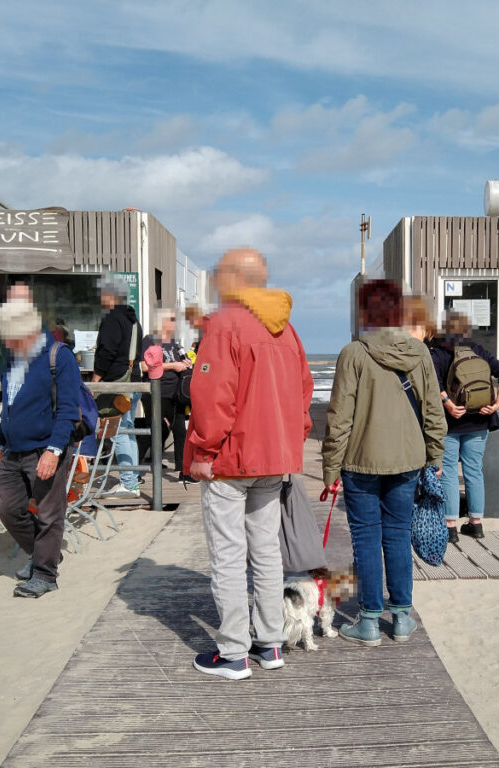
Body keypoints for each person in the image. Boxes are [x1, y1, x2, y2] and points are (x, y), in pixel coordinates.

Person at [185, 248, 312, 679]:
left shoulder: (224, 325)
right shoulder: (286, 328)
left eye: (219, 274)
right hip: (274, 457)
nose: (214, 282)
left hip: (230, 458)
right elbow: (303, 393)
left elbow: (211, 396)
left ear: (234, 279)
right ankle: (270, 643)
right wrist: (291, 441)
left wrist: (203, 449)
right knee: (265, 550)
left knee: (228, 553)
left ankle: (234, 652)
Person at [322, 279, 446, 646]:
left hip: (360, 462)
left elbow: (339, 418)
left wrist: (331, 469)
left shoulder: (353, 353)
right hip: (408, 459)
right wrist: (435, 455)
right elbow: (432, 409)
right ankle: (403, 617)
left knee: (366, 538)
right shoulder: (420, 352)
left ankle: (370, 620)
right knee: (396, 536)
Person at [0, 298, 80, 598]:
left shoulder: (59, 356)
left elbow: (69, 410)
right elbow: (7, 406)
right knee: (8, 509)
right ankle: (45, 554)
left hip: (45, 447)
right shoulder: (10, 359)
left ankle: (45, 573)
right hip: (13, 449)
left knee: (49, 513)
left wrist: (53, 451)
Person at [430, 312, 499, 543]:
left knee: (447, 472)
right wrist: (497, 404)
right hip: (479, 419)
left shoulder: (437, 352)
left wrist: (448, 404)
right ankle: (476, 524)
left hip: (450, 422)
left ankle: (450, 527)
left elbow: (432, 382)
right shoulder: (478, 350)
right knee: (473, 470)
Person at [92, 274, 143, 499]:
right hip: (134, 378)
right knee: (128, 430)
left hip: (117, 381)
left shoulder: (113, 318)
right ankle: (132, 478)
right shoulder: (133, 320)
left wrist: (95, 380)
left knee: (119, 431)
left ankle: (129, 483)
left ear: (109, 295)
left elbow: (107, 352)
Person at [137, 308, 192, 477]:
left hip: (176, 394)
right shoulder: (150, 340)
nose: (175, 323)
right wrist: (173, 365)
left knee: (180, 431)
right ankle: (137, 472)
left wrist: (186, 363)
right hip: (156, 392)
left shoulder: (175, 342)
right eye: (172, 319)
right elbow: (145, 367)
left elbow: (182, 361)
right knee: (155, 429)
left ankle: (183, 470)